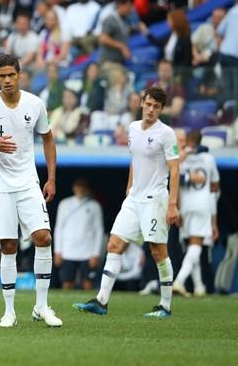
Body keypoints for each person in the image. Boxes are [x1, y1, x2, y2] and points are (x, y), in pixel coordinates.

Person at [0, 54, 62, 328]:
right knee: (8, 246)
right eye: (2, 76)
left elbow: (48, 138)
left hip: (28, 182)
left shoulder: (35, 104)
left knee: (43, 237)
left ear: (19, 75)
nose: (7, 80)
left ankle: (42, 306)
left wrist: (51, 178)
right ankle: (9, 311)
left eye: (11, 75)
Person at [74, 86, 180, 319]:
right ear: (142, 103)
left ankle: (165, 305)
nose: (151, 109)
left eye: (156, 106)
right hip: (134, 199)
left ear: (161, 109)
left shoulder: (166, 133)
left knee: (158, 251)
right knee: (114, 244)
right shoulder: (132, 128)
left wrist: (172, 204)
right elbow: (135, 159)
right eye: (148, 104)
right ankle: (101, 302)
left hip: (155, 200)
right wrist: (129, 187)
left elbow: (175, 169)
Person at [173, 130, 220, 297]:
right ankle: (179, 280)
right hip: (202, 204)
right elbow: (215, 185)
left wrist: (177, 207)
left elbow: (174, 180)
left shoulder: (182, 159)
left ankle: (199, 287)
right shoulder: (208, 159)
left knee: (192, 245)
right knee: (196, 245)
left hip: (185, 205)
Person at [54, 178, 104, 290]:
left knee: (88, 283)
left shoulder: (94, 206)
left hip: (87, 252)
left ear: (87, 189)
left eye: (83, 186)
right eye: (78, 186)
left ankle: (89, 306)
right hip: (67, 250)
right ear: (73, 188)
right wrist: (58, 251)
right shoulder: (64, 204)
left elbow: (99, 230)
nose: (80, 189)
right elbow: (59, 228)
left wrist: (96, 253)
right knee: (67, 282)